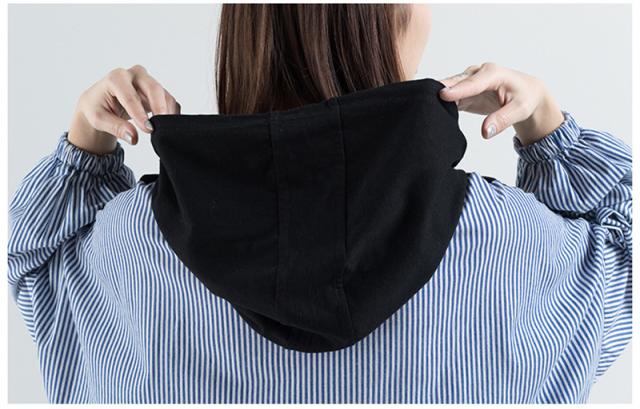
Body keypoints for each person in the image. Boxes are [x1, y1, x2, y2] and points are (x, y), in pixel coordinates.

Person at [8, 4, 631, 404]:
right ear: (391, 17)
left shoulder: (128, 248)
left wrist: (86, 148)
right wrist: (549, 132)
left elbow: (34, 266)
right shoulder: (515, 244)